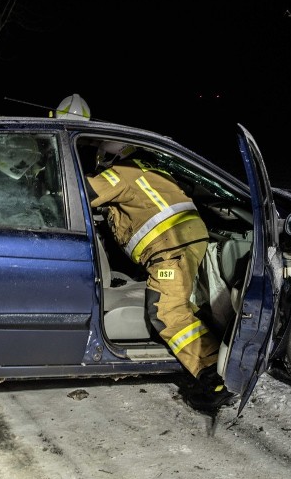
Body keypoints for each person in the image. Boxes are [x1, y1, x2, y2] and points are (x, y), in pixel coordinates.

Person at [85, 140, 236, 412]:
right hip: (187, 241)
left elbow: (80, 192)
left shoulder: (119, 173)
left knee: (167, 311)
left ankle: (213, 379)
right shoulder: (150, 170)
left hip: (169, 248)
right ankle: (214, 360)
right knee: (186, 304)